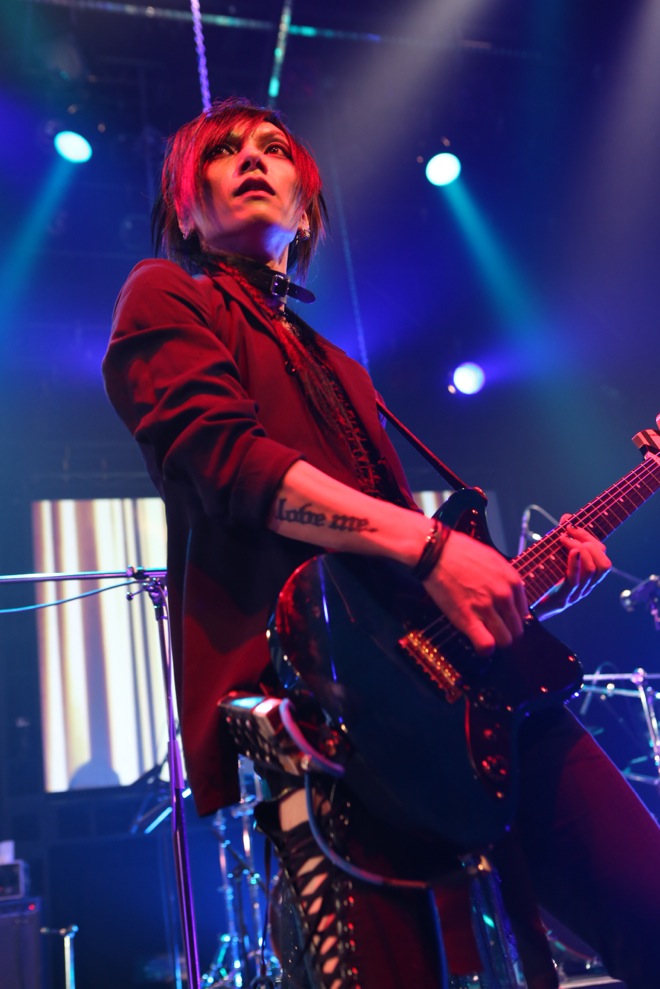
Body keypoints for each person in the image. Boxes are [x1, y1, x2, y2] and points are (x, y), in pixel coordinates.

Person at [102, 97, 660, 989]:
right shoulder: (165, 295)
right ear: (185, 209)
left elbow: (400, 582)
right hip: (333, 714)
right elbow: (226, 460)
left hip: (475, 700)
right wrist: (437, 548)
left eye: (275, 148)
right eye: (224, 151)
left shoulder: (345, 368)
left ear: (306, 213)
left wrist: (527, 586)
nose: (253, 158)